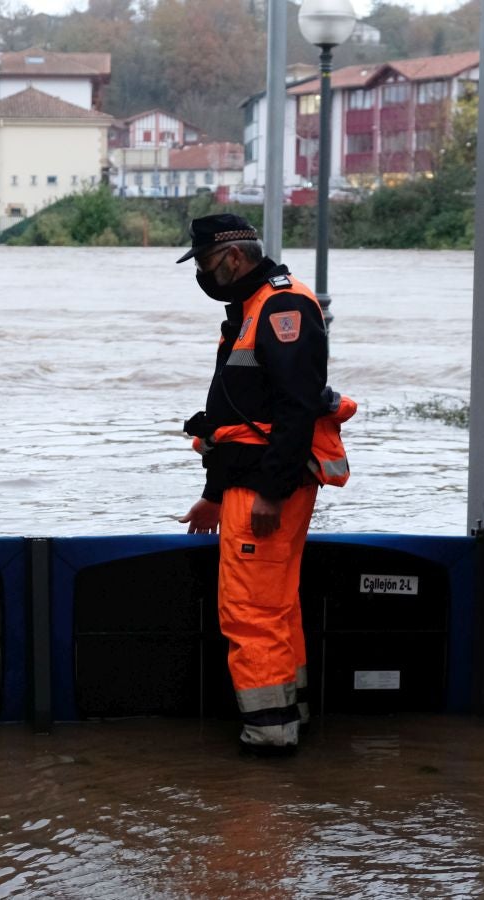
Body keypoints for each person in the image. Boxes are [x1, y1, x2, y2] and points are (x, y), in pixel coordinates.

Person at [176, 213, 352, 753]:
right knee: (274, 605)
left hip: (266, 488)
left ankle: (269, 737)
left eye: (204, 263)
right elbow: (239, 414)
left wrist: (273, 492)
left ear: (232, 258)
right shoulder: (252, 308)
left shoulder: (283, 306)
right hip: (248, 481)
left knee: (251, 611)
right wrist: (212, 495)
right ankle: (288, 714)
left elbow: (297, 409)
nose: (202, 274)